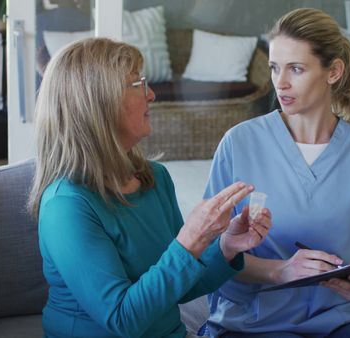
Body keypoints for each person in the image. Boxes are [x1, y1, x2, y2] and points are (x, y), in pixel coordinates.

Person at [27, 38, 273, 338]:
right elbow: (121, 320)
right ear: (99, 102)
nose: (152, 94)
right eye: (137, 84)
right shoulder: (66, 205)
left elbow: (181, 286)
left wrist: (226, 246)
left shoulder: (154, 178)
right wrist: (189, 241)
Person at [202, 8, 350, 338]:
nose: (281, 82)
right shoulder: (240, 143)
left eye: (296, 68)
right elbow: (209, 251)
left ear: (333, 71)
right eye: (275, 68)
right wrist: (280, 271)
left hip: (340, 314)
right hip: (253, 318)